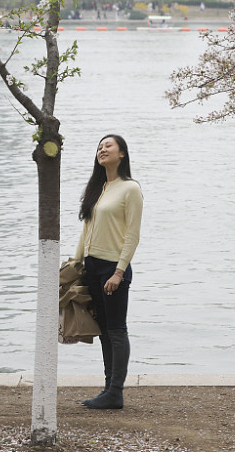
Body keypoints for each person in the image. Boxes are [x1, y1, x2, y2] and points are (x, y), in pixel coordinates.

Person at [73, 135, 142, 410]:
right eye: (99, 147)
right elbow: (86, 230)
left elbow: (132, 235)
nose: (102, 150)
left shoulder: (130, 189)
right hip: (92, 267)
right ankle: (107, 389)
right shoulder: (99, 188)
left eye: (108, 146)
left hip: (113, 268)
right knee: (102, 331)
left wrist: (119, 272)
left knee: (116, 330)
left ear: (122, 154)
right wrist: (75, 265)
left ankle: (116, 392)